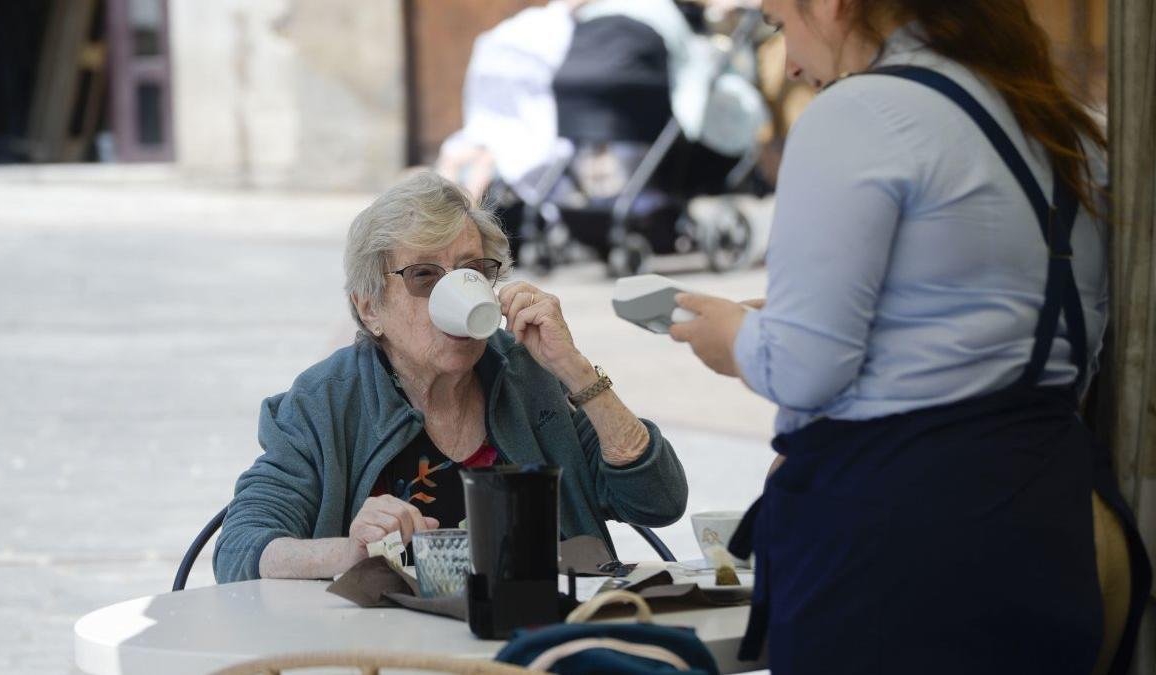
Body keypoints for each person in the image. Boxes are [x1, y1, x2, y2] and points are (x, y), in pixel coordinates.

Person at [669, 1, 1150, 674]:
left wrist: (736, 336)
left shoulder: (858, 114)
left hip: (909, 544)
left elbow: (805, 368)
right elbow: (1036, 333)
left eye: (782, 27)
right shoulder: (1058, 122)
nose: (793, 64)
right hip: (1064, 523)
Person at [212, 172, 687, 585]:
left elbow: (660, 501)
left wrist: (575, 368)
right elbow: (240, 548)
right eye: (424, 276)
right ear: (369, 306)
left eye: (471, 271)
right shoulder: (327, 402)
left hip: (543, 642)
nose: (455, 293)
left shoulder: (528, 374)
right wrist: (347, 552)